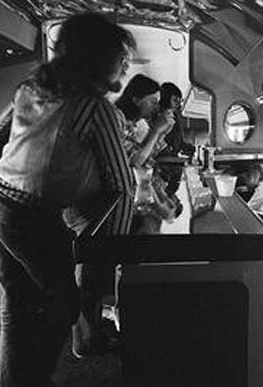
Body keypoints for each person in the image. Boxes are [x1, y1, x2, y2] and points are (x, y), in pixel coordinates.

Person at [0, 13, 135, 387]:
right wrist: (104, 249)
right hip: (32, 218)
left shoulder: (30, 88)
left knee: (15, 305)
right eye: (121, 56)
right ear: (97, 58)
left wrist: (16, 179)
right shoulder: (95, 107)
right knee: (64, 303)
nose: (126, 65)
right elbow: (122, 185)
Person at [68, 73, 177, 357]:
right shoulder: (113, 117)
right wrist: (156, 132)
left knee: (97, 270)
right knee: (90, 274)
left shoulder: (129, 122)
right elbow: (134, 161)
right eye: (152, 101)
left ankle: (99, 328)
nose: (155, 106)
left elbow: (144, 161)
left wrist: (159, 131)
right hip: (91, 204)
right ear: (135, 98)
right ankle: (84, 340)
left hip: (104, 203)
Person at [157, 82, 193, 157]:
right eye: (175, 100)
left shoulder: (175, 116)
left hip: (173, 159)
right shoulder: (159, 119)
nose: (178, 104)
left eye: (179, 101)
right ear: (165, 100)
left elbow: (181, 143)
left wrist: (196, 149)